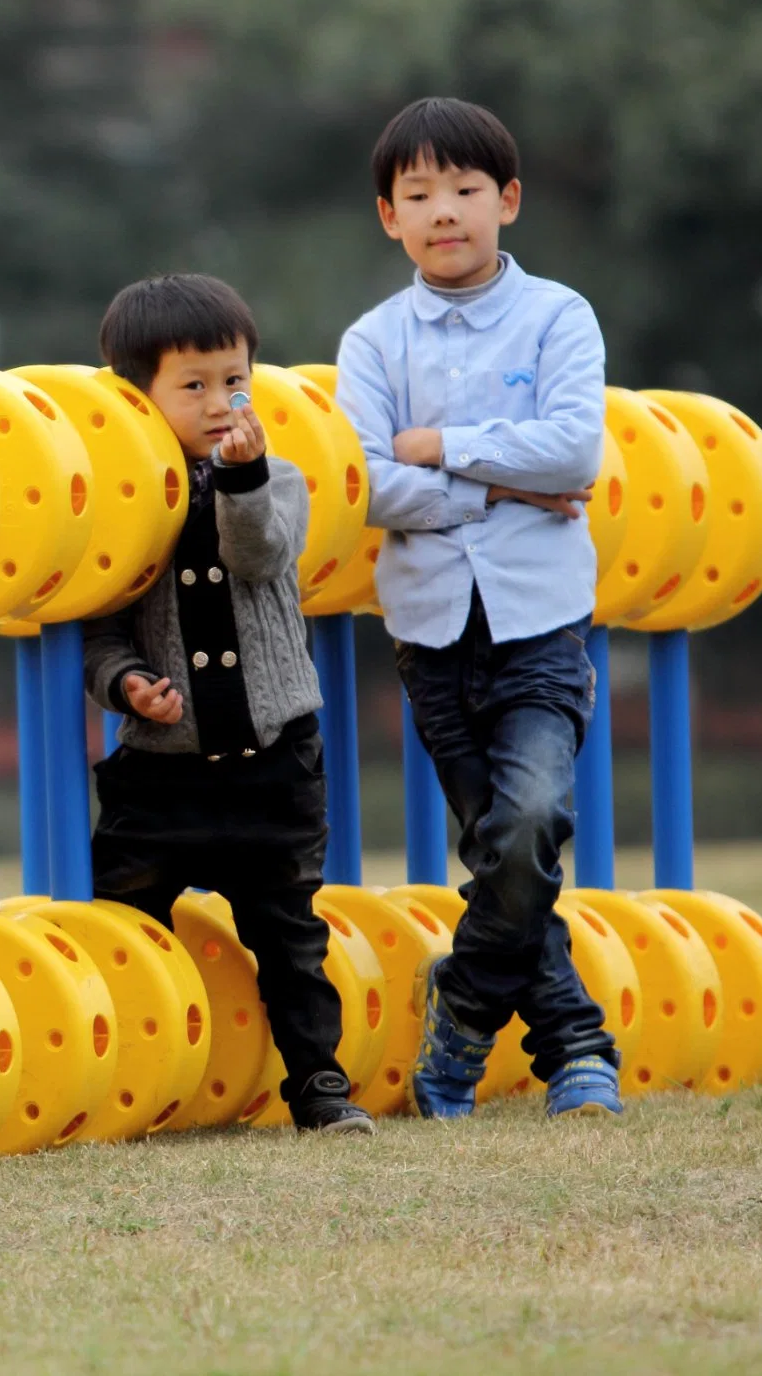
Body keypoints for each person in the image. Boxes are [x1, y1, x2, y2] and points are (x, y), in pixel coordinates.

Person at [333, 96, 622, 1120]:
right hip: (431, 632)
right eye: (419, 194)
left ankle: (460, 1009)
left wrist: (443, 446)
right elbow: (366, 482)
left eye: (463, 190)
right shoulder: (372, 344)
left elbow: (575, 452)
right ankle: (575, 1049)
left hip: (540, 621)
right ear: (389, 216)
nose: (442, 210)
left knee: (532, 820)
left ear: (507, 200)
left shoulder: (558, 318)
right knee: (505, 854)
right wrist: (503, 477)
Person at [82, 273, 374, 1136]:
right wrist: (128, 683)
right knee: (124, 922)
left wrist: (240, 480)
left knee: (289, 935)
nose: (221, 402)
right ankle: (128, 1079)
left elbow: (258, 557)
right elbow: (101, 635)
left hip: (273, 765)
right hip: (161, 774)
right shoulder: (117, 504)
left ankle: (319, 1085)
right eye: (194, 385)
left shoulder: (276, 479)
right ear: (137, 398)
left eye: (235, 380)